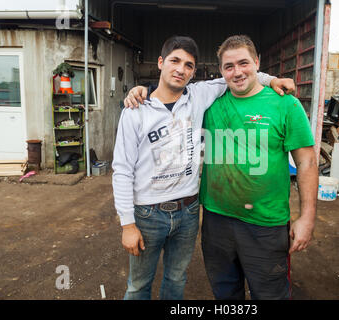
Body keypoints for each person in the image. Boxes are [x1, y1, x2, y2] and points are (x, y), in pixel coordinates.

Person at [113, 35, 294, 300]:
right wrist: (128, 225)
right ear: (161, 63)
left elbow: (239, 74)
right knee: (139, 284)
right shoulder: (136, 110)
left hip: (188, 212)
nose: (180, 69)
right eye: (175, 61)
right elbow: (122, 170)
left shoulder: (198, 95)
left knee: (176, 279)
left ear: (193, 72)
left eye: (188, 65)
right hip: (148, 214)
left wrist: (272, 80)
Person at [200, 35, 318, 300]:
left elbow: (306, 162)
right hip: (215, 221)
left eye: (244, 63)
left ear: (256, 63)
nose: (237, 72)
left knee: (270, 294)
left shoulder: (285, 103)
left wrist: (307, 217)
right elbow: (173, 95)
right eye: (229, 66)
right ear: (221, 71)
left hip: (265, 225)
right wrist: (140, 93)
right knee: (225, 293)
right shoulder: (209, 103)